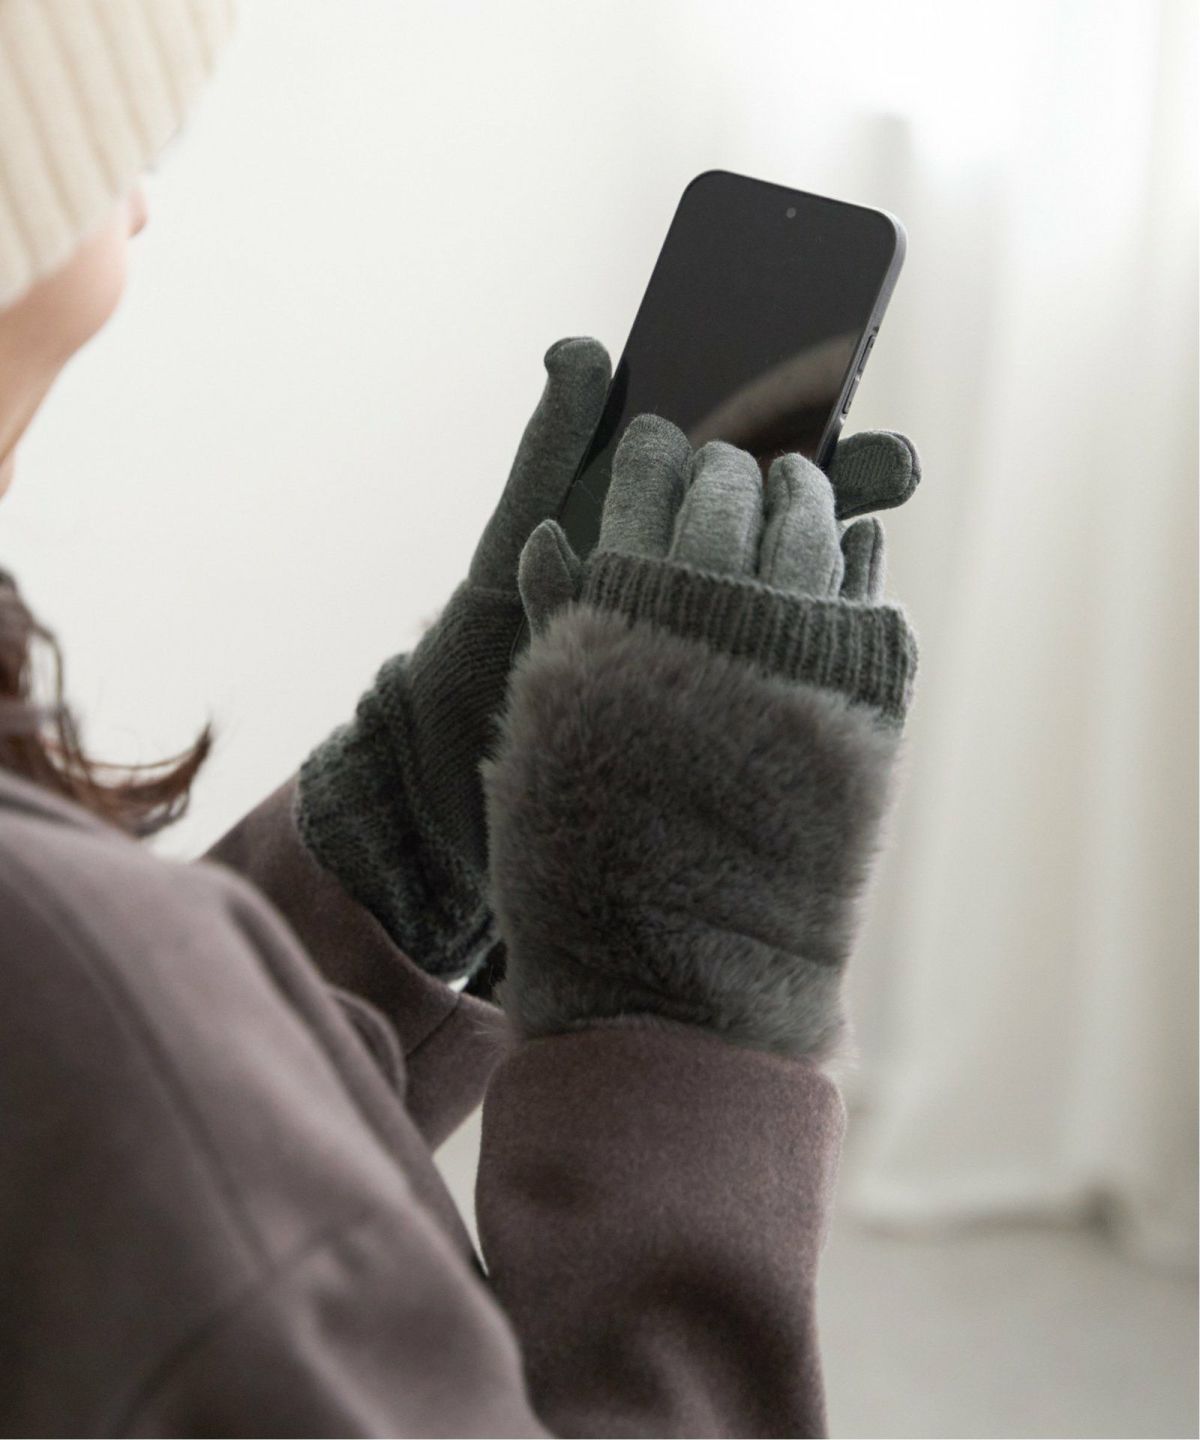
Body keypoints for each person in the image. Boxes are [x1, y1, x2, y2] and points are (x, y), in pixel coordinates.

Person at [0, 3, 920, 1435]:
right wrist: (692, 981)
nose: (132, 211)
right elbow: (114, 1061)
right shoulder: (86, 982)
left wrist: (411, 829)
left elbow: (112, 1173)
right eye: (105, 160)